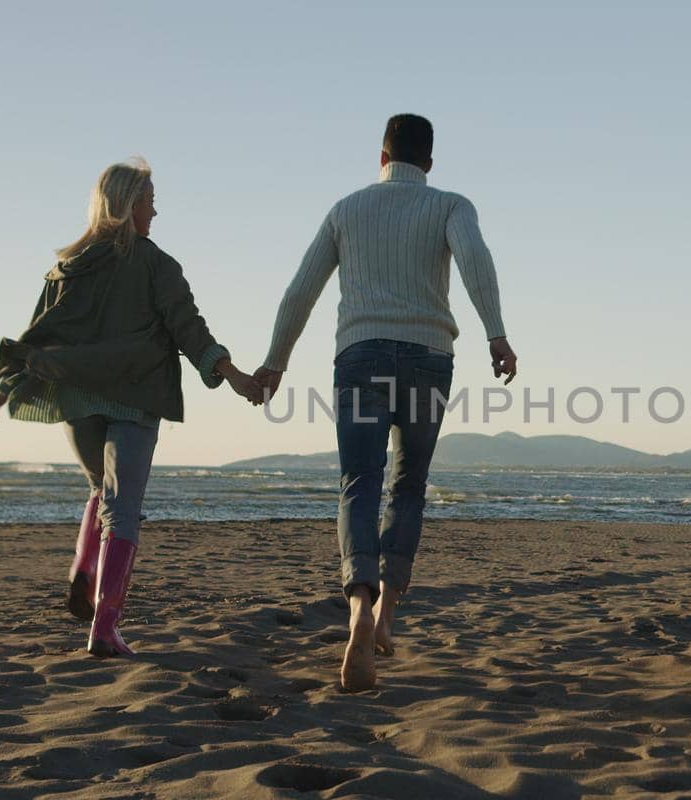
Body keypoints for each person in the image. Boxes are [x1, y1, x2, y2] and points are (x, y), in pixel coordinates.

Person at [255, 114, 517, 691]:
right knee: (408, 485)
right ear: (428, 162)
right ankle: (387, 616)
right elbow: (475, 261)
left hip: (360, 357)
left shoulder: (346, 209)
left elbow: (301, 289)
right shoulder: (450, 205)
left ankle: (357, 611)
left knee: (359, 483)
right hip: (428, 359)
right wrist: (496, 333)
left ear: (382, 157)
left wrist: (275, 363)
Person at [0, 158, 261, 657]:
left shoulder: (66, 268)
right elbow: (189, 329)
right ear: (130, 205)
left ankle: (83, 571)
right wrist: (232, 374)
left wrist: (4, 393)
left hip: (77, 401)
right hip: (135, 396)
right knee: (122, 510)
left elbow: (38, 337)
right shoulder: (156, 264)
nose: (156, 210)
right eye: (150, 201)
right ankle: (104, 626)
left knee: (98, 492)